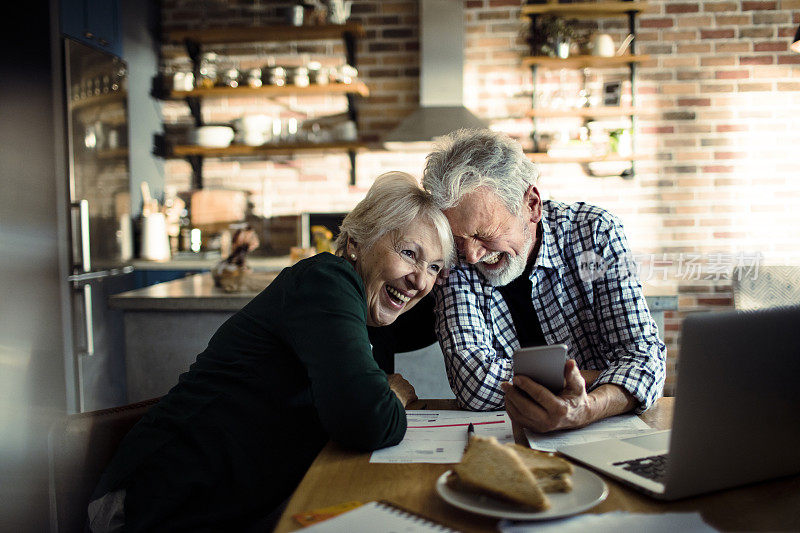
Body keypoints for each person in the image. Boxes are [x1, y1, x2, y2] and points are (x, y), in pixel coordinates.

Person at [88, 172, 456, 532]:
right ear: (359, 241)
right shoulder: (327, 282)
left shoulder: (360, 308)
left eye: (434, 267)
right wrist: (391, 395)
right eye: (409, 253)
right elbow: (366, 420)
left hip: (225, 507)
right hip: (152, 505)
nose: (421, 280)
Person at [421, 128, 666, 433]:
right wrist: (604, 375)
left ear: (532, 205)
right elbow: (473, 383)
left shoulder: (596, 235)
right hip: (509, 437)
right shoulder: (455, 259)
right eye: (460, 238)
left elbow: (646, 363)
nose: (470, 255)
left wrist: (587, 409)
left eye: (484, 235)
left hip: (607, 429)